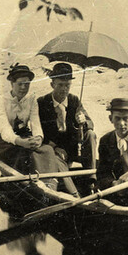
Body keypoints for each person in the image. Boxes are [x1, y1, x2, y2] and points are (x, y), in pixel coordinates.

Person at [0, 63, 67, 193]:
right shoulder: (1, 100)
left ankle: (49, 183)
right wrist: (20, 141)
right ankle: (34, 182)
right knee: (25, 153)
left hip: (25, 136)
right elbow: (5, 129)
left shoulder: (31, 99)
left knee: (47, 149)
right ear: (12, 83)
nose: (23, 87)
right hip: (7, 142)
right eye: (20, 84)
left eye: (27, 84)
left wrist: (38, 137)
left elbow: (35, 122)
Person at [37, 62, 97, 195]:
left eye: (67, 85)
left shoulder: (74, 100)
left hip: (75, 147)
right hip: (56, 148)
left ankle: (92, 179)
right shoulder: (42, 102)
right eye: (60, 85)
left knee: (91, 134)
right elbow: (38, 130)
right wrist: (53, 146)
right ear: (52, 84)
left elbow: (90, 123)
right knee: (56, 159)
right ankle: (74, 193)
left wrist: (84, 121)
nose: (64, 89)